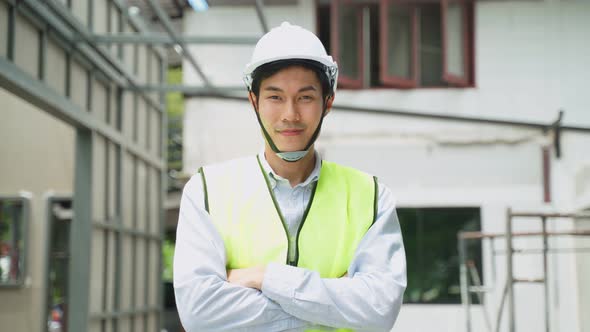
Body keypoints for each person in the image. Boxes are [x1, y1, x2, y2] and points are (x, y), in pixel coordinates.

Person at [174, 22, 406, 331]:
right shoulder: (206, 190)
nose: (290, 115)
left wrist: (264, 279)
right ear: (253, 101)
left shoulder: (371, 195)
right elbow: (199, 314)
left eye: (306, 97)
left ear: (328, 102)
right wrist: (333, 302)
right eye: (275, 97)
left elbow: (379, 310)